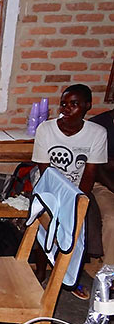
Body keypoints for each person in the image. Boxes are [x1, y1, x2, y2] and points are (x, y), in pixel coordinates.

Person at [32, 84, 108, 300]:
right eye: (64, 104)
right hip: (48, 187)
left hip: (78, 189)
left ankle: (69, 277)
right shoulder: (46, 129)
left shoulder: (96, 133)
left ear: (87, 106)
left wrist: (76, 200)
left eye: (74, 104)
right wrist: (61, 198)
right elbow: (44, 170)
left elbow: (90, 172)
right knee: (44, 222)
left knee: (81, 226)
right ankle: (40, 271)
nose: (66, 109)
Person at [89, 109, 114, 268]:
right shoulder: (99, 127)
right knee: (112, 220)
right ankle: (108, 274)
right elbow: (97, 170)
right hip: (103, 185)